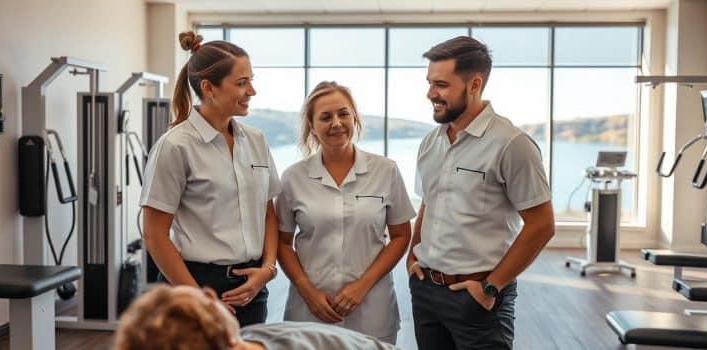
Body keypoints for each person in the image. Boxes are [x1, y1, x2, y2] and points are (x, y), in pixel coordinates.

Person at [406, 36, 556, 349]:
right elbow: (427, 206)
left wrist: (491, 287)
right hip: (426, 291)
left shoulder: (512, 144)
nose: (430, 93)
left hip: (478, 296)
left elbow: (542, 225)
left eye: (442, 84)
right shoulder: (430, 143)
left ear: (474, 84)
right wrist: (412, 259)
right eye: (430, 82)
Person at [139, 31, 281, 327]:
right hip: (193, 286)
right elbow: (154, 234)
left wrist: (267, 269)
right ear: (209, 88)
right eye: (242, 83)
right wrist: (199, 297)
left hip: (252, 288)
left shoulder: (256, 140)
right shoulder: (176, 146)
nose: (251, 91)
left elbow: (267, 213)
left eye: (251, 80)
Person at [275, 81, 415, 344]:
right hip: (310, 311)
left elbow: (400, 236)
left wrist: (361, 287)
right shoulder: (293, 177)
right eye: (325, 117)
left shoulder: (386, 170)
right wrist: (307, 291)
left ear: (355, 117)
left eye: (343, 114)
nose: (336, 123)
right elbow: (282, 242)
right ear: (312, 126)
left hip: (372, 309)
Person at [114, 284, 401, 350]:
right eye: (206, 303)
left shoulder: (256, 337)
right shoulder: (305, 342)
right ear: (227, 337)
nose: (209, 293)